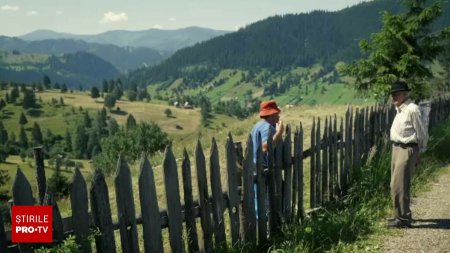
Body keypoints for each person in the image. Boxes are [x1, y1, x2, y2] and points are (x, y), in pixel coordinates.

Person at [387, 81, 428, 228]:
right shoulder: (400, 109)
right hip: (397, 149)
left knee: (400, 185)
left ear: (405, 94)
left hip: (407, 149)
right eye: (393, 94)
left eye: (397, 94)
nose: (394, 97)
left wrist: (419, 152)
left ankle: (403, 219)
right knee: (395, 184)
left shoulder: (412, 109)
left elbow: (422, 133)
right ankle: (399, 215)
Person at [250, 100, 284, 218]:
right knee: (267, 202)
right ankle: (268, 230)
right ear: (271, 114)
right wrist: (279, 133)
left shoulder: (256, 126)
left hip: (256, 167)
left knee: (259, 200)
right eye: (276, 114)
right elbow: (265, 148)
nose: (278, 117)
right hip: (264, 169)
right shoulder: (268, 128)